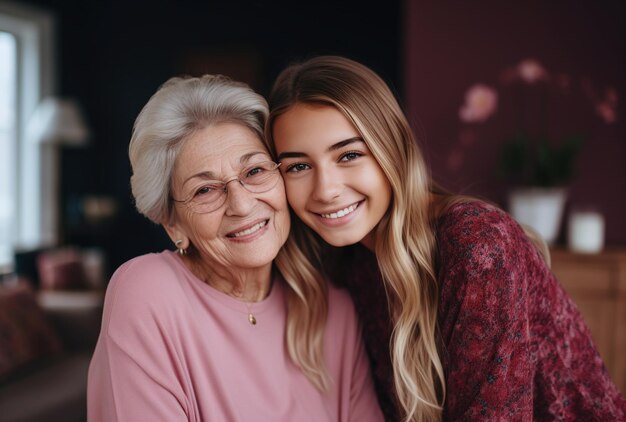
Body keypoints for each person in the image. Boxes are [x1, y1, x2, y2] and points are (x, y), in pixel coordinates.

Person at [264, 55, 626, 421]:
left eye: (350, 155)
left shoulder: (477, 244)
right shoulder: (347, 263)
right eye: (298, 166)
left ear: (393, 150)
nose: (325, 190)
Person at [87, 74, 384, 421]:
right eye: (205, 190)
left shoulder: (334, 310)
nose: (241, 205)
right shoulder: (148, 292)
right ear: (173, 224)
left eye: (255, 170)